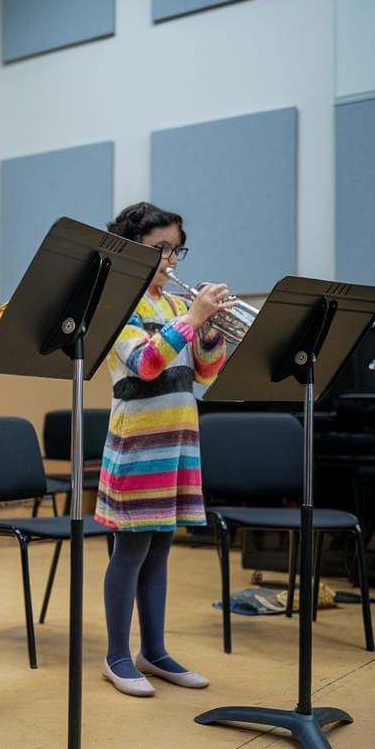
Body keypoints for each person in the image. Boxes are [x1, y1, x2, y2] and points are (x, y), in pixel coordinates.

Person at [95, 201, 232, 697]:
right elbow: (147, 363)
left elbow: (206, 371)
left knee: (160, 547)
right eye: (160, 249)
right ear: (133, 251)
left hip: (177, 441)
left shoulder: (176, 307)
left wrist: (210, 327)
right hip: (137, 443)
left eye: (176, 250)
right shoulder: (118, 306)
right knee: (131, 548)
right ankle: (116, 655)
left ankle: (154, 651)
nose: (171, 261)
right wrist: (194, 318)